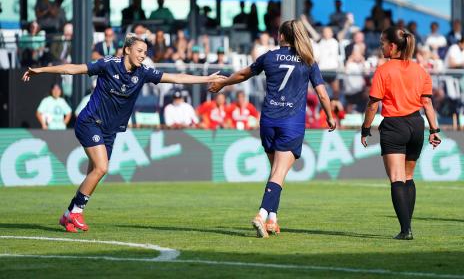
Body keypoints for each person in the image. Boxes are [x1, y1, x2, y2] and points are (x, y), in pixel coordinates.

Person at [22, 33, 225, 233]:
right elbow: (73, 69)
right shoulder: (108, 64)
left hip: (110, 130)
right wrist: (42, 70)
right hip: (90, 122)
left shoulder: (143, 72)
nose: (143, 55)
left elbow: (175, 77)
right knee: (101, 168)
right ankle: (76, 212)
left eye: (145, 52)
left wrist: (206, 78)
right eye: (139, 51)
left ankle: (67, 215)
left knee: (93, 173)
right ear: (127, 50)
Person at [209, 19, 336, 238]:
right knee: (278, 173)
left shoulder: (269, 56)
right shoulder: (307, 60)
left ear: (281, 36)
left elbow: (242, 75)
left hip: (268, 121)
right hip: (291, 123)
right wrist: (330, 115)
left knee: (276, 173)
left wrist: (222, 83)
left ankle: (272, 219)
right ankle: (261, 214)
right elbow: (322, 94)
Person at [361, 26, 441, 240]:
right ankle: (408, 225)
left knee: (396, 178)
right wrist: (434, 129)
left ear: (393, 46)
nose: (381, 48)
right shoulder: (420, 70)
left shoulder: (384, 70)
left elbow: (373, 104)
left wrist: (365, 128)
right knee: (408, 177)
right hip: (417, 125)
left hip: (394, 126)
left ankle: (406, 230)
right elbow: (427, 103)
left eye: (382, 44)